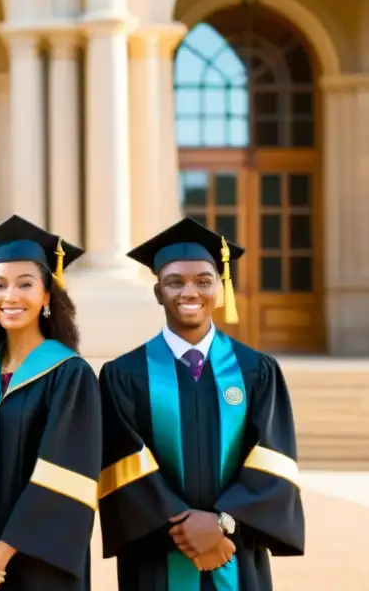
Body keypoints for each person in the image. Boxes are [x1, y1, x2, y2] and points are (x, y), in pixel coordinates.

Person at [98, 217, 306, 590]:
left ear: (220, 289)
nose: (189, 291)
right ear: (158, 291)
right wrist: (185, 526)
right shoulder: (123, 375)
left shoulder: (255, 371)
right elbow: (121, 463)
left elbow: (272, 457)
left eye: (203, 281)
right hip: (155, 557)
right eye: (175, 282)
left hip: (234, 548)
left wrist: (222, 523)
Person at [0, 214, 102, 591]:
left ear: (47, 295)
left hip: (40, 567)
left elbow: (66, 474)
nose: (10, 296)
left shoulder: (70, 375)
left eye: (25, 284)